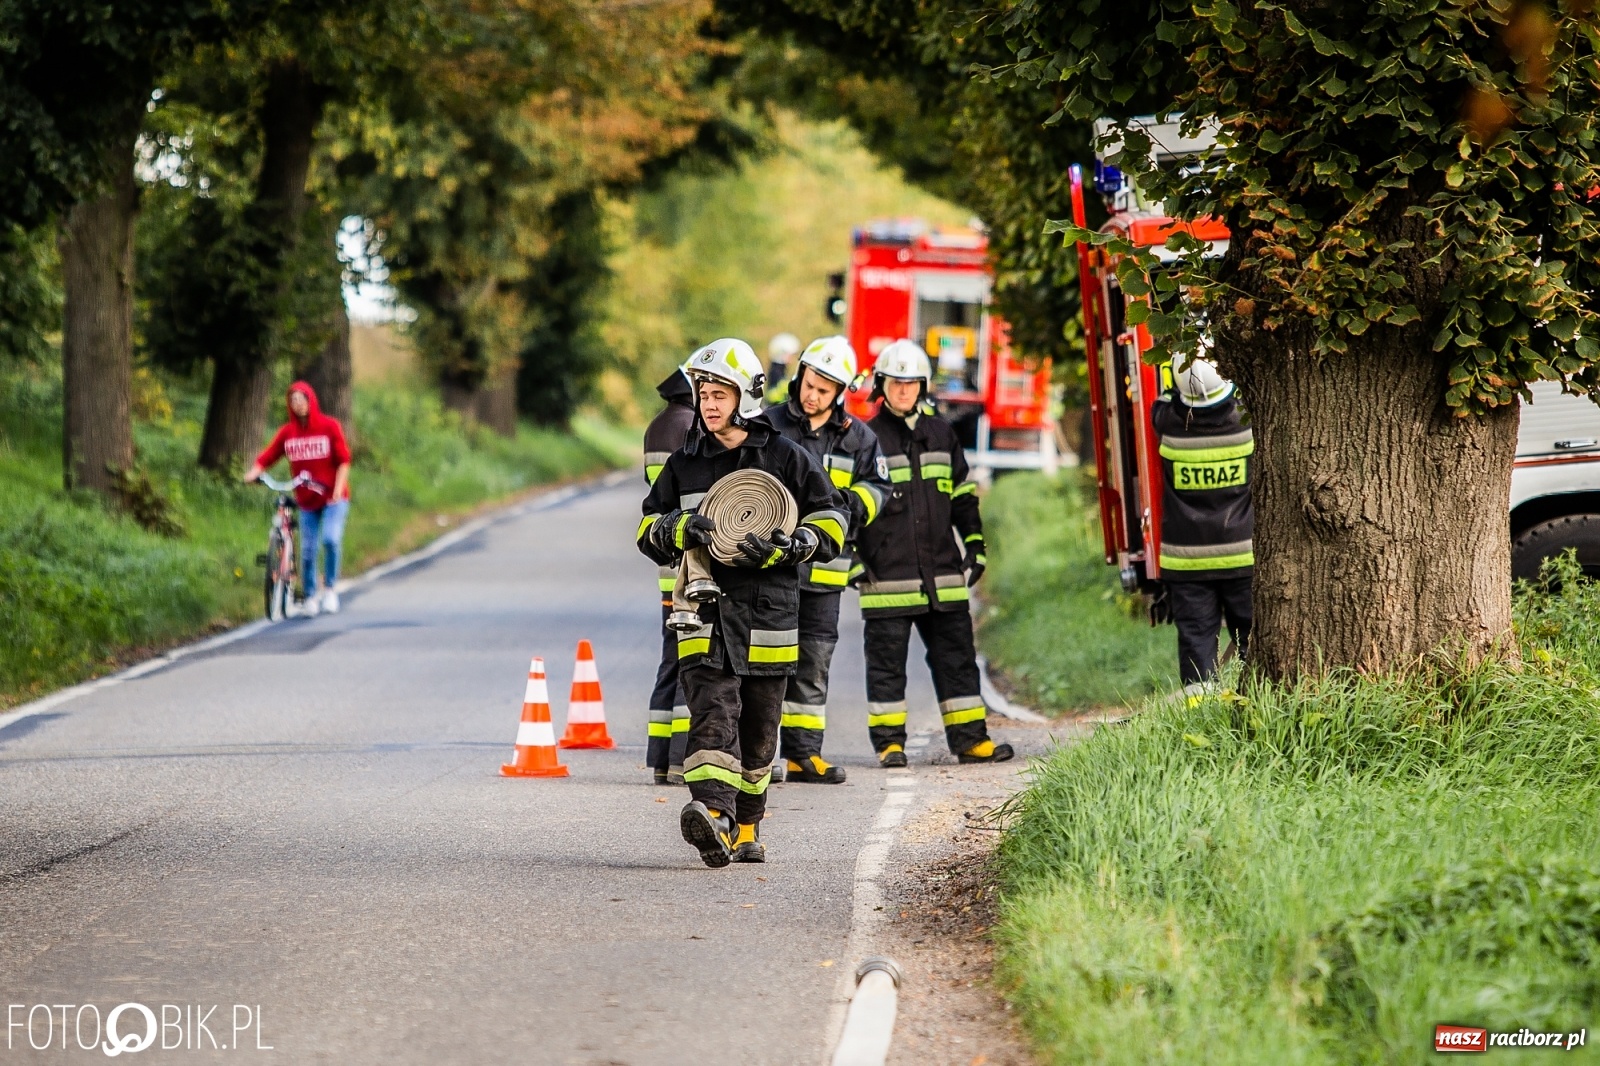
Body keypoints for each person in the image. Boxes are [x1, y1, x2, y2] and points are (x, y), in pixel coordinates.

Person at [637, 338, 848, 867]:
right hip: (703, 614)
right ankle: (711, 813)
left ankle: (747, 824)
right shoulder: (685, 461)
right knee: (712, 714)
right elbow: (645, 527)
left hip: (769, 616)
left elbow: (832, 516)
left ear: (746, 396)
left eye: (719, 393)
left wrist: (799, 543)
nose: (708, 403)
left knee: (758, 732)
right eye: (703, 393)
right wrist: (677, 527)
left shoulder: (785, 456)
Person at [853, 340, 1013, 767]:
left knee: (957, 659)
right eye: (895, 383)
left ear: (922, 386)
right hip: (885, 577)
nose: (903, 391)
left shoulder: (942, 433)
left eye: (911, 383)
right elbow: (844, 505)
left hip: (943, 574)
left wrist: (975, 545)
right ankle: (889, 744)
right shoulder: (863, 438)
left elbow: (962, 495)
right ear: (880, 385)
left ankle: (971, 741)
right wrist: (852, 561)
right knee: (887, 666)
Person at [757, 335, 889, 784]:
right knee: (766, 664)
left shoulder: (859, 439)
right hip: (772, 570)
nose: (813, 395)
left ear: (840, 393)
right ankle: (758, 759)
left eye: (824, 389)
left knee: (813, 664)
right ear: (799, 379)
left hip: (826, 574)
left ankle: (803, 756)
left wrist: (846, 505)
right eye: (810, 384)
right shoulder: (768, 425)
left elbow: (878, 489)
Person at [1150, 356, 1254, 689]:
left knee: (1196, 645)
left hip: (1186, 561)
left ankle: (1199, 716)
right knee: (1255, 640)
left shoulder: (1167, 423)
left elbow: (1161, 400)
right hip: (1242, 557)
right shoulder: (1245, 421)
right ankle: (1260, 707)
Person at [244, 381, 351, 617]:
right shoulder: (288, 432)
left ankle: (330, 589)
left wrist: (337, 490)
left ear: (311, 400)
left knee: (331, 540)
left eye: (302, 399)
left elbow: (343, 460)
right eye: (293, 401)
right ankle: (310, 595)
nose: (298, 405)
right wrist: (254, 471)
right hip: (306, 499)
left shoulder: (329, 426)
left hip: (333, 497)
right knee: (309, 550)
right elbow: (268, 455)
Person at [643, 365, 698, 785]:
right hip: (688, 566)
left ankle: (661, 758)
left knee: (669, 662)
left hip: (665, 563)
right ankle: (681, 759)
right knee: (689, 663)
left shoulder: (656, 428)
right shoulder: (688, 428)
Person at [762, 332, 801, 406]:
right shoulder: (776, 371)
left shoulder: (778, 368)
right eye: (791, 354)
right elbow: (774, 393)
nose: (793, 358)